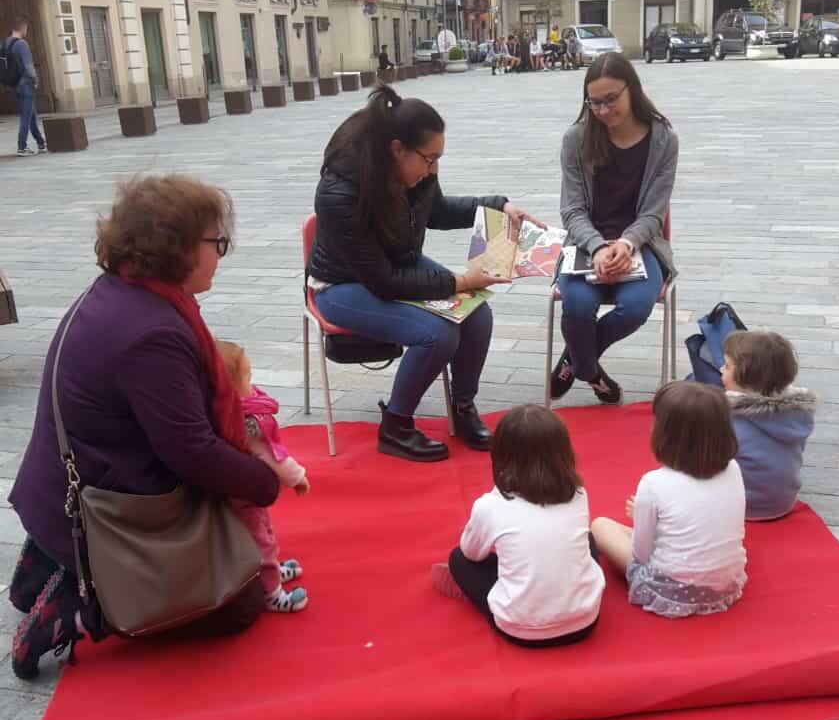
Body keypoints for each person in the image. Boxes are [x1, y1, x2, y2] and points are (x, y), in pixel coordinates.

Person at [8, 176, 279, 680]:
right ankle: (84, 599)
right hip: (110, 509)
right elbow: (192, 451)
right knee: (242, 602)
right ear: (177, 249)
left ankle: (54, 562)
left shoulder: (122, 290)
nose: (221, 255)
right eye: (215, 243)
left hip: (62, 489)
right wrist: (262, 483)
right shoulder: (151, 330)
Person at [309, 84, 542, 462]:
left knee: (477, 313)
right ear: (397, 149)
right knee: (436, 334)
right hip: (341, 284)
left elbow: (437, 211)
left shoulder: (417, 170)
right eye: (429, 159)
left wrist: (500, 206)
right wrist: (461, 281)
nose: (434, 168)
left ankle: (462, 407)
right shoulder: (340, 193)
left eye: (438, 159)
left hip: (397, 263)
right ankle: (396, 426)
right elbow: (382, 282)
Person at [550, 52, 678, 405]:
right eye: (595, 103)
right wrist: (598, 247)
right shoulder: (576, 139)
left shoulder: (663, 139)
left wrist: (626, 243)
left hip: (641, 244)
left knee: (636, 307)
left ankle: (573, 359)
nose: (603, 110)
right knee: (576, 306)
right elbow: (572, 210)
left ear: (631, 90)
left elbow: (654, 214)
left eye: (611, 100)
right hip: (584, 242)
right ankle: (590, 371)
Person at [432, 404, 604, 645]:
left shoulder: (491, 505)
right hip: (585, 621)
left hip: (520, 630)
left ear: (500, 455)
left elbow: (471, 553)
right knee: (587, 539)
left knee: (458, 560)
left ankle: (494, 591)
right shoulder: (577, 492)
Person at [592, 382, 746, 618]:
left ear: (666, 434)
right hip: (727, 584)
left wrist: (645, 521)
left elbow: (640, 554)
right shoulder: (733, 468)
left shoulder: (654, 483)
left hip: (671, 590)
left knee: (601, 526)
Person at [218, 341, 311, 613]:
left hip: (236, 490)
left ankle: (270, 571)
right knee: (262, 540)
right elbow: (274, 457)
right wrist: (298, 478)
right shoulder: (248, 421)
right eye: (247, 376)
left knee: (261, 530)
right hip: (245, 494)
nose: (252, 381)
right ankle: (272, 592)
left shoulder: (221, 410)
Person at [721, 330, 817, 521]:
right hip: (783, 502)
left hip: (739, 507)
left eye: (727, 366)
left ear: (747, 376)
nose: (720, 369)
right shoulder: (799, 412)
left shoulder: (726, 415)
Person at [3, 17, 46, 157]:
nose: (26, 31)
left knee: (31, 114)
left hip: (15, 84)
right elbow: (28, 66)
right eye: (26, 28)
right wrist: (35, 80)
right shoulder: (22, 44)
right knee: (26, 117)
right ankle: (22, 147)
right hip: (26, 84)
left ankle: (41, 143)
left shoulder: (5, 44)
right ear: (22, 28)